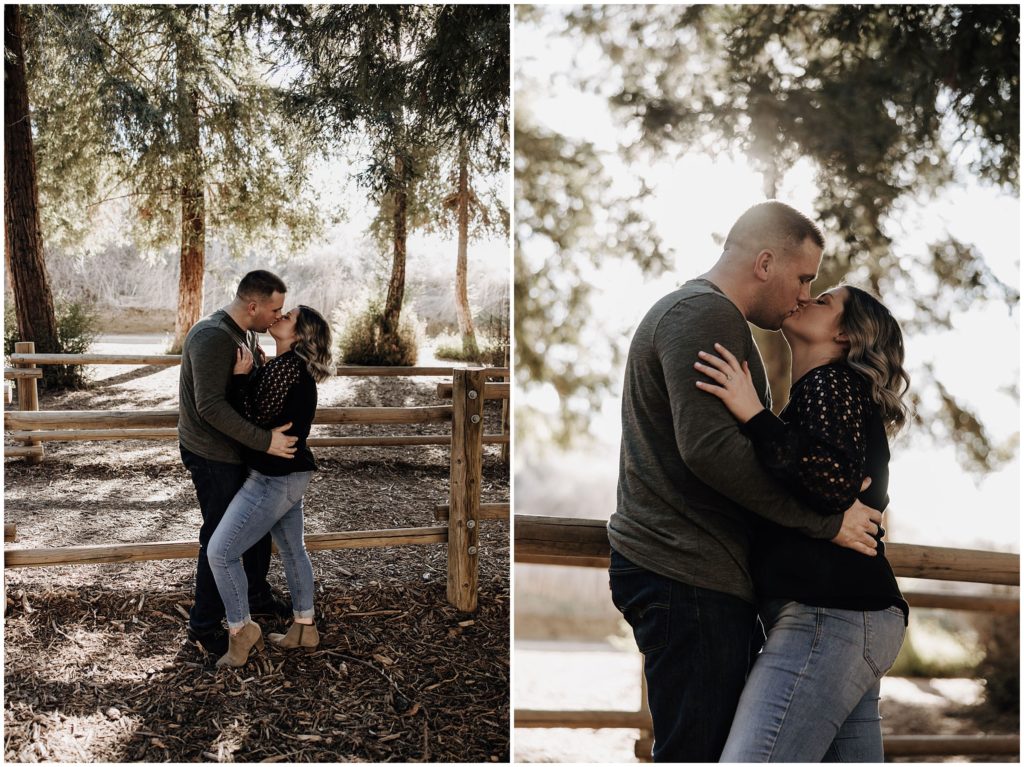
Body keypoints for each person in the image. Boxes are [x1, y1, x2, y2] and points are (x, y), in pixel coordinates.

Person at [607, 201, 883, 762]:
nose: (805, 293)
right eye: (803, 277)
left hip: (698, 575)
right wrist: (824, 522)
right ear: (764, 263)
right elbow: (712, 452)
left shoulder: (706, 315)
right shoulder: (704, 315)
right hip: (686, 574)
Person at [694, 285, 909, 762]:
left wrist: (752, 414)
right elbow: (831, 483)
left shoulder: (831, 384)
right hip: (852, 617)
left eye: (825, 301)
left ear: (847, 335)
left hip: (831, 617)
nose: (807, 299)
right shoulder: (829, 397)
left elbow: (828, 485)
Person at [179, 270, 298, 658]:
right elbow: (210, 407)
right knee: (220, 539)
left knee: (256, 528)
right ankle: (203, 627)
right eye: (274, 309)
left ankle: (255, 594)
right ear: (252, 306)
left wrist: (255, 371)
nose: (278, 317)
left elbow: (236, 394)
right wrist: (266, 441)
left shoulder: (244, 333)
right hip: (214, 456)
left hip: (238, 452)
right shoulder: (212, 336)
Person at [207, 305, 334, 667]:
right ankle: (304, 627)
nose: (279, 317)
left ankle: (241, 631)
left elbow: (250, 421)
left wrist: (243, 376)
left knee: (221, 552)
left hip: (272, 479)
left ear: (300, 334)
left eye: (288, 316)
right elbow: (269, 414)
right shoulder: (288, 369)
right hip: (291, 475)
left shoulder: (286, 369)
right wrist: (259, 371)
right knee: (294, 550)